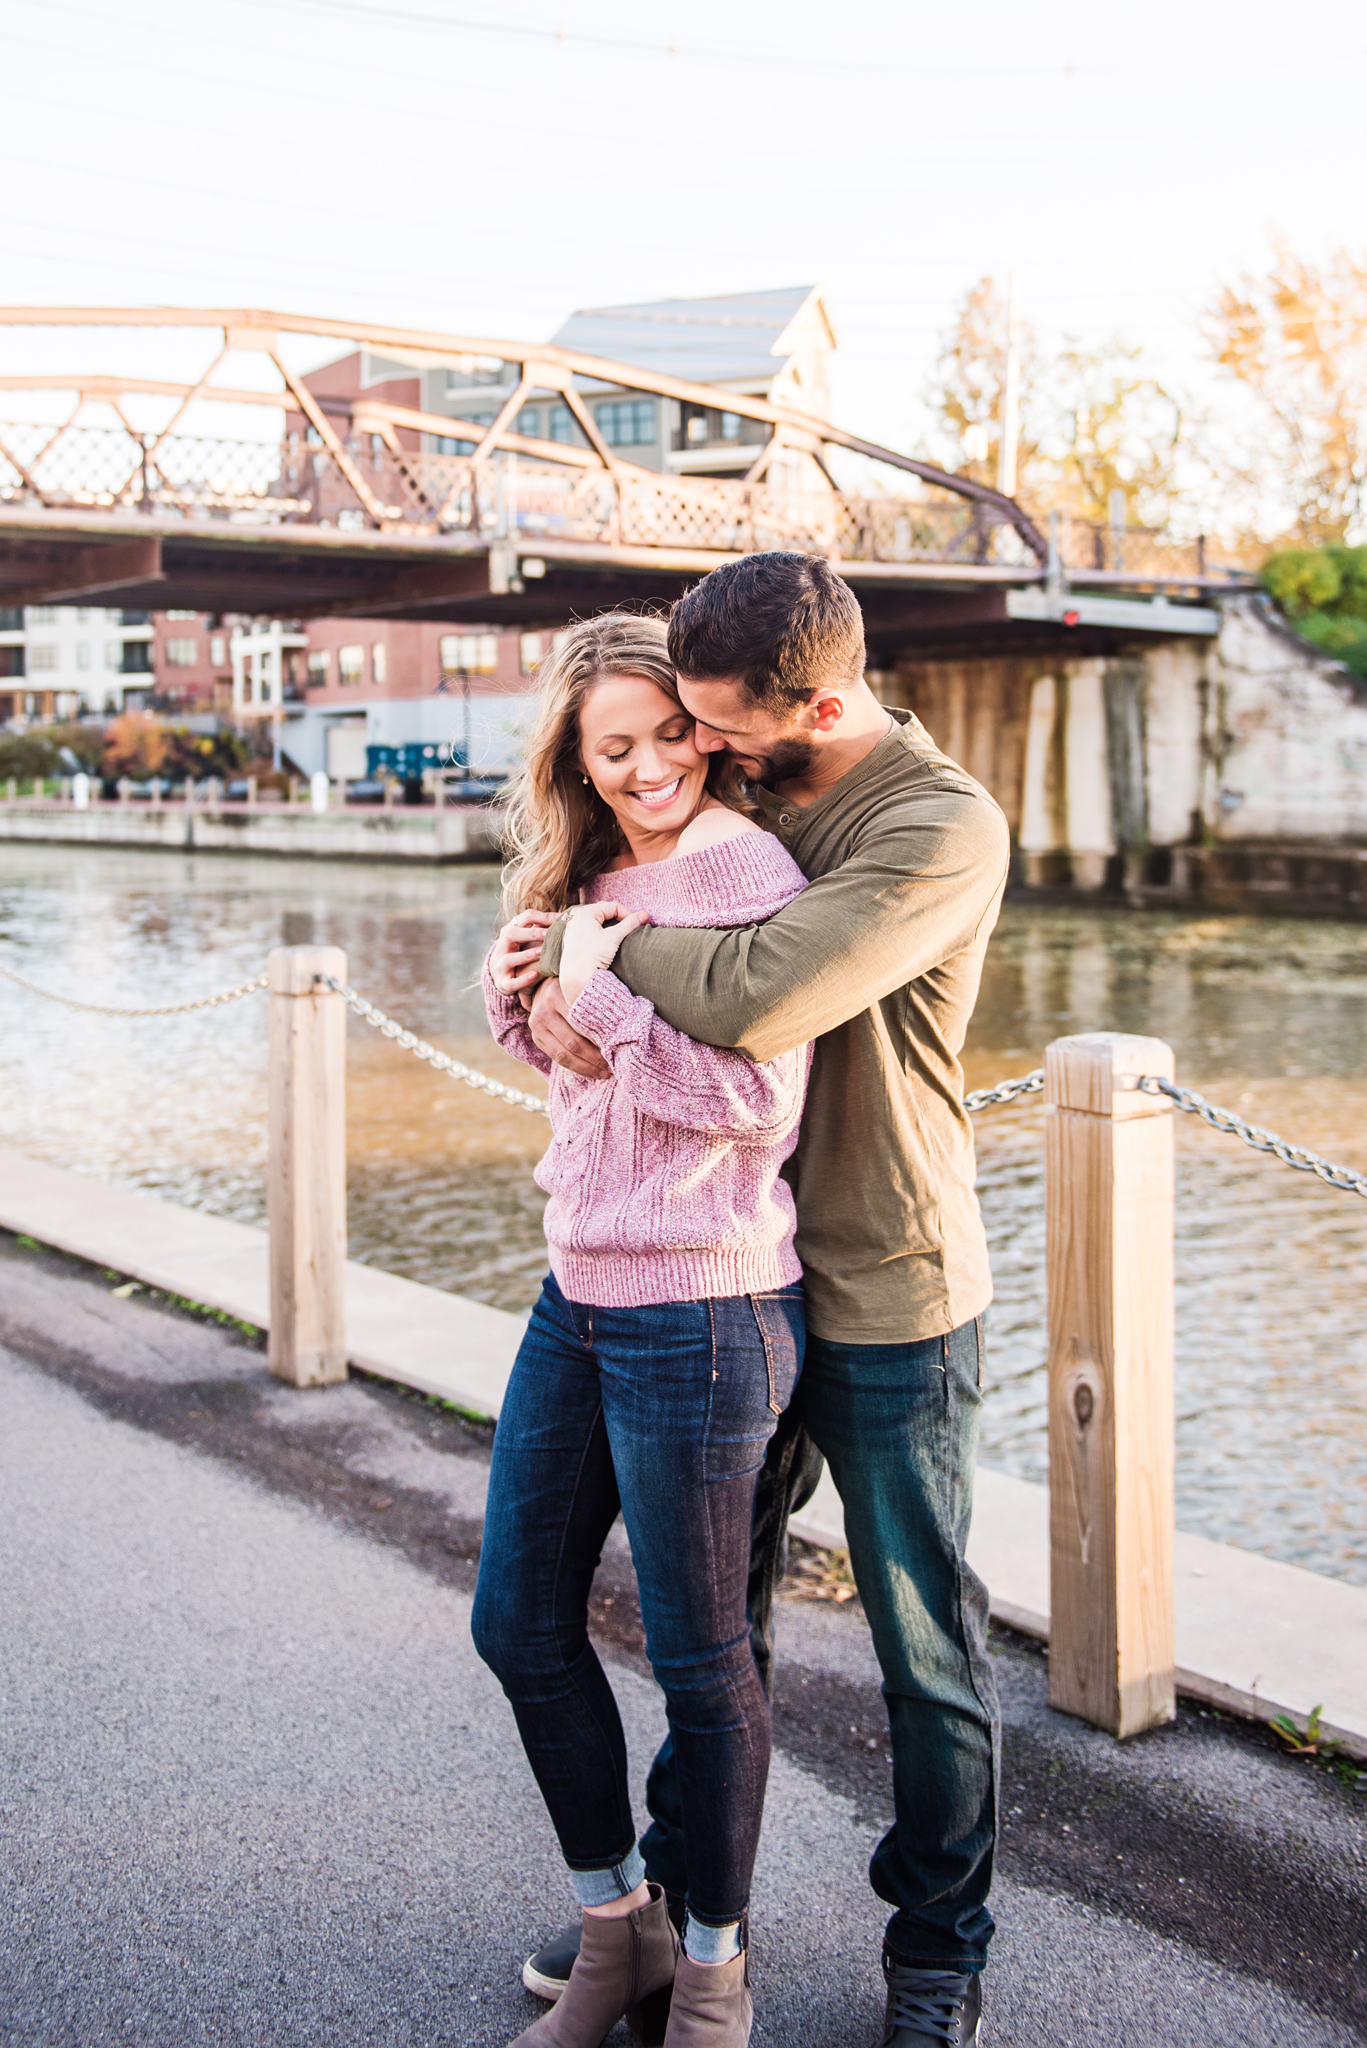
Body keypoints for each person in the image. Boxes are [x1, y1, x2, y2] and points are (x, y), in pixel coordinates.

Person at [517, 553, 1010, 2048]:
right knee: (713, 1626)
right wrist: (539, 954)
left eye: (722, 730)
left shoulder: (937, 827)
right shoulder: (755, 779)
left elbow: (757, 997)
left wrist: (593, 951)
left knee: (924, 1652)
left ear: (820, 701)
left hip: (889, 1283)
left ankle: (938, 1950)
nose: (700, 753)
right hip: (738, 1276)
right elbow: (633, 886)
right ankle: (675, 1911)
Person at [472, 612, 812, 2048]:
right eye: (616, 748)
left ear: (707, 730)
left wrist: (598, 1000)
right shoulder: (598, 875)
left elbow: (754, 1107)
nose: (652, 764)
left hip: (710, 1307)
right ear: (581, 761)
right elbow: (585, 1072)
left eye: (672, 733)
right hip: (580, 1297)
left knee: (699, 1661)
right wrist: (521, 997)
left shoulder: (753, 876)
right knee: (517, 1620)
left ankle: (717, 1967)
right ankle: (621, 1931)